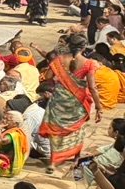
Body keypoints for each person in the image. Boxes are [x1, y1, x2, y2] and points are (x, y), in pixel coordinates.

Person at [42, 38, 104, 168]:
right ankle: (76, 158)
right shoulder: (89, 63)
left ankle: (53, 162)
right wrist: (99, 107)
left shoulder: (58, 60)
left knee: (55, 131)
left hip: (58, 101)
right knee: (77, 129)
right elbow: (92, 87)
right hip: (77, 102)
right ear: (84, 47)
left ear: (69, 46)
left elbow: (47, 77)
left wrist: (60, 78)